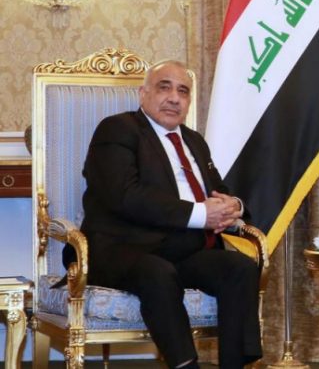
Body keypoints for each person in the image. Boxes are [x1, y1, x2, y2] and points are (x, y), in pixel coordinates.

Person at [77, 60, 262, 369]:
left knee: (239, 267)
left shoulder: (194, 141)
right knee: (158, 273)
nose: (174, 98)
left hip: (185, 250)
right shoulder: (118, 129)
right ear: (143, 94)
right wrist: (201, 214)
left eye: (183, 91)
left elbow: (218, 190)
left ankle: (235, 365)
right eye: (164, 88)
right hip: (126, 249)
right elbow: (125, 196)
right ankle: (185, 365)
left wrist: (235, 206)